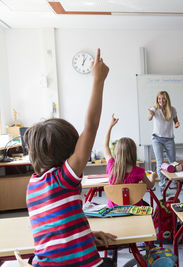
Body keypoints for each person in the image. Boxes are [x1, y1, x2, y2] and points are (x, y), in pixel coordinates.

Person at [25, 49, 116, 266]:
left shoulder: (33, 184)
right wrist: (98, 80)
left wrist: (83, 237)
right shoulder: (63, 178)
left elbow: (56, 225)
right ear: (69, 150)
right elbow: (91, 127)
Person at [104, 114, 155, 207]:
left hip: (114, 210)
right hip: (134, 209)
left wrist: (110, 126)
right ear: (133, 153)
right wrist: (153, 176)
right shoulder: (139, 171)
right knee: (148, 206)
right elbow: (150, 186)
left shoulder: (111, 166)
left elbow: (105, 146)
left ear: (117, 152)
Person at [148, 91, 180, 192]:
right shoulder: (154, 109)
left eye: (163, 98)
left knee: (172, 162)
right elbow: (149, 118)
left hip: (169, 139)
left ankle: (174, 182)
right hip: (157, 139)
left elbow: (176, 121)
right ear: (157, 99)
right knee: (160, 162)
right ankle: (162, 185)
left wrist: (177, 124)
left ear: (167, 100)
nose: (161, 101)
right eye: (159, 99)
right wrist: (151, 114)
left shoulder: (172, 109)